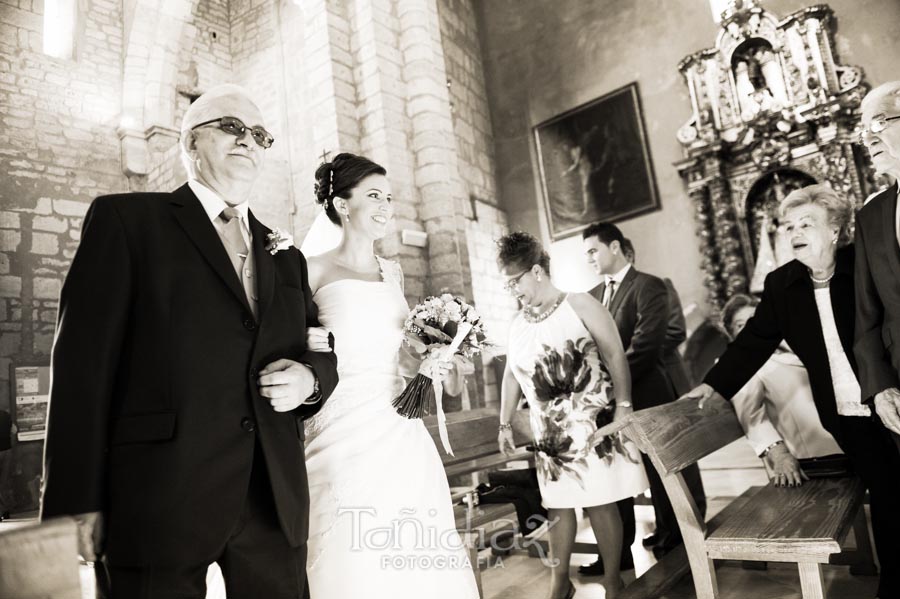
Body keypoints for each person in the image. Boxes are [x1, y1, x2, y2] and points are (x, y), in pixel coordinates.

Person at [41, 84, 338, 599]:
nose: (248, 140)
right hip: (161, 494)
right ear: (190, 144)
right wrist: (75, 500)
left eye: (260, 135)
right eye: (231, 127)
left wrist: (310, 378)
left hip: (271, 495)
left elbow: (320, 346)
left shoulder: (285, 255)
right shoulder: (127, 222)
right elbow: (81, 371)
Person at [682, 184, 900, 599]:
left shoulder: (863, 263)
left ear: (835, 229)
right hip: (845, 413)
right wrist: (713, 386)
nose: (794, 231)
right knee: (889, 496)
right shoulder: (782, 283)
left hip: (889, 395)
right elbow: (753, 341)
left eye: (807, 223)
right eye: (788, 226)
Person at [301, 153, 479, 599]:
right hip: (339, 425)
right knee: (350, 548)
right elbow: (297, 345)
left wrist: (430, 359)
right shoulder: (311, 269)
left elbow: (399, 351)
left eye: (389, 197)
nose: (385, 205)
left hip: (399, 427)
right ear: (342, 204)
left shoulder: (391, 273)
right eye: (373, 195)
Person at [497, 231, 648, 599]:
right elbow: (511, 374)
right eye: (506, 285)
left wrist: (624, 406)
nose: (512, 291)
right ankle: (559, 581)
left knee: (601, 500)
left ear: (536, 271)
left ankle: (613, 579)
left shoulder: (580, 304)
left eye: (513, 282)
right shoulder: (518, 324)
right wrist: (503, 422)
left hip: (592, 422)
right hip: (549, 434)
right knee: (557, 507)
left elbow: (614, 355)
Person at [583, 224, 706, 558]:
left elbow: (647, 344)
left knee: (665, 465)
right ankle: (623, 547)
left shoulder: (649, 285)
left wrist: (612, 386)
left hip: (649, 389)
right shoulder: (592, 296)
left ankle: (681, 535)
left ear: (614, 247)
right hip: (610, 398)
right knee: (625, 469)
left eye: (593, 250)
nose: (589, 258)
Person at [722, 294, 843, 482]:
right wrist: (779, 454)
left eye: (754, 321)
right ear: (731, 333)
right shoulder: (745, 365)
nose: (749, 329)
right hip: (816, 458)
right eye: (740, 325)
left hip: (844, 441)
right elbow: (752, 418)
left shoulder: (793, 348)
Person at [854, 80, 900, 450]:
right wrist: (881, 387)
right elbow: (867, 317)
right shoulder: (871, 216)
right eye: (863, 130)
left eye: (879, 123)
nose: (867, 139)